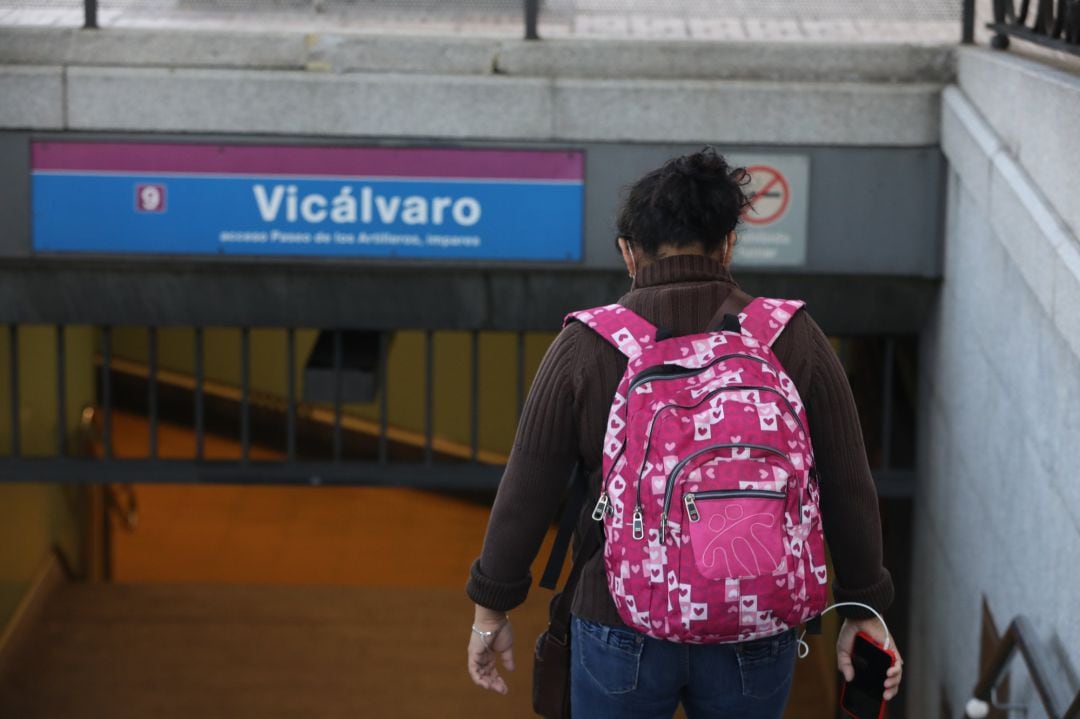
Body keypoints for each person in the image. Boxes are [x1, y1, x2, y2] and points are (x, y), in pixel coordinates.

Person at [465, 148, 903, 717]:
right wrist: (863, 608)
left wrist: (491, 609)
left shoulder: (587, 345)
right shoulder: (792, 337)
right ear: (727, 244)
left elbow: (528, 488)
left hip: (620, 618)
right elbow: (847, 484)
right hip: (757, 618)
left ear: (628, 252)